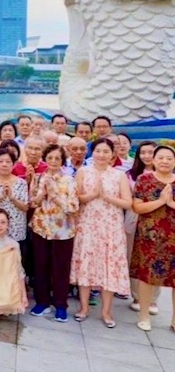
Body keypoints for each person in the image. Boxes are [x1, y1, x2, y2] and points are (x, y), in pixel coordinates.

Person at [70, 138, 132, 327]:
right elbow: (75, 198)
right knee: (86, 264)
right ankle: (84, 308)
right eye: (98, 151)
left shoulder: (119, 175)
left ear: (112, 154)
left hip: (111, 227)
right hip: (87, 225)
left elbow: (128, 203)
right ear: (92, 152)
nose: (102, 155)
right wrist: (93, 195)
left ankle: (106, 312)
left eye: (106, 151)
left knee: (109, 267)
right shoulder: (83, 172)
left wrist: (106, 196)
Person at [29, 144, 79, 323]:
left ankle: (60, 305)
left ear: (62, 160)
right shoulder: (38, 177)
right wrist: (41, 194)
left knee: (60, 268)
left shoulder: (69, 180)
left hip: (62, 231)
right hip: (41, 228)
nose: (53, 161)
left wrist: (55, 196)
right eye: (50, 158)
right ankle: (42, 301)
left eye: (57, 158)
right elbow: (32, 203)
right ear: (45, 159)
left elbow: (73, 207)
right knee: (40, 266)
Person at [130, 145, 175, 332]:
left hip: (173, 238)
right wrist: (160, 202)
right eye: (161, 157)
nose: (165, 161)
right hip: (150, 237)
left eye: (169, 158)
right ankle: (144, 315)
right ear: (154, 160)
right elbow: (137, 207)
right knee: (147, 277)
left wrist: (171, 203)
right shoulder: (144, 179)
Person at [126, 141, 161, 313]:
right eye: (143, 152)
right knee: (134, 257)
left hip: (159, 221)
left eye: (151, 152)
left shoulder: (166, 174)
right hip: (134, 218)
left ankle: (153, 300)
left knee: (157, 259)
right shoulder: (131, 175)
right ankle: (137, 297)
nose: (147, 156)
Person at [0, 148, 29, 252]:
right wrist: (1, 197)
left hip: (16, 228)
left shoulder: (21, 183)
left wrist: (12, 198)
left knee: (15, 258)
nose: (4, 164)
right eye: (0, 161)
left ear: (14, 164)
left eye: (8, 162)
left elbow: (25, 207)